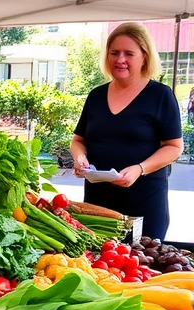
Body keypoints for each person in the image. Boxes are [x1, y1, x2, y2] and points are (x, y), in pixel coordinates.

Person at [71, 22, 183, 241]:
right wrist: (79, 157)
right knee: (98, 265)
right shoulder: (95, 96)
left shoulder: (160, 95)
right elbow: (78, 140)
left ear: (144, 57)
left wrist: (139, 169)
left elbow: (174, 147)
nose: (120, 59)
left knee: (141, 267)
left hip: (144, 202)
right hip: (98, 205)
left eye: (128, 53)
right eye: (114, 52)